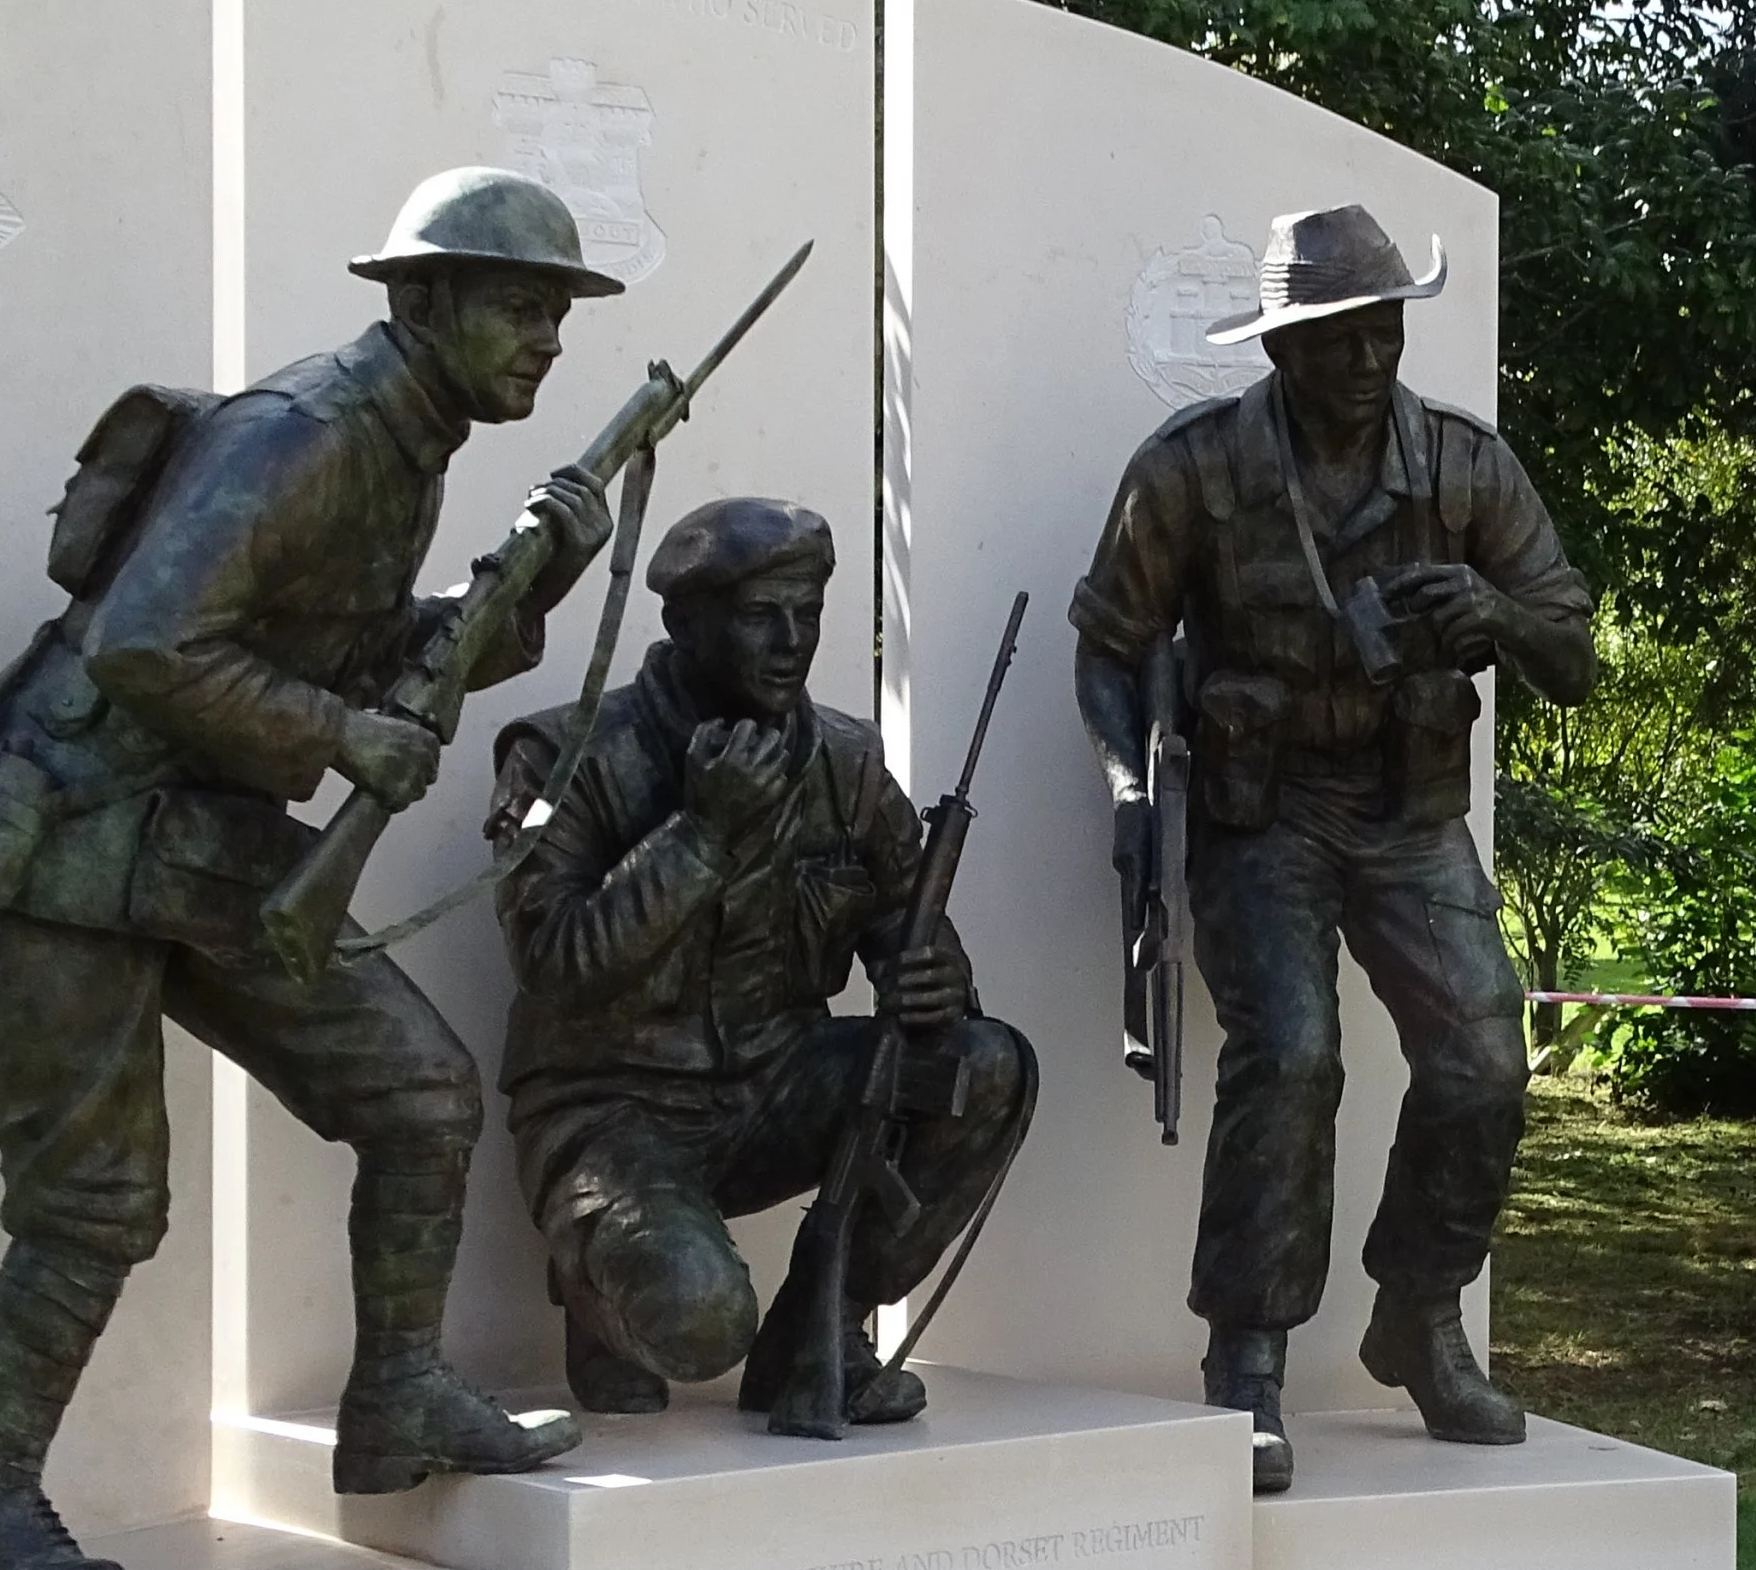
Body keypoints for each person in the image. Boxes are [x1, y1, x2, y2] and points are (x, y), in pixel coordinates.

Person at [0, 168, 618, 1570]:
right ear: (420, 301)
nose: (544, 340)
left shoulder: (406, 447)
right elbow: (144, 646)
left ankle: (400, 1400)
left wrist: (524, 591)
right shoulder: (306, 434)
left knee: (418, 1093)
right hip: (59, 840)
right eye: (515, 307)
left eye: (555, 313)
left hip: (190, 841)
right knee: (97, 1205)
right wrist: (340, 740)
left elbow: (364, 655)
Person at [1071, 204, 1595, 1493]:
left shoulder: (1466, 467)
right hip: (1265, 812)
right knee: (1292, 1058)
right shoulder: (1191, 469)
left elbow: (1571, 650)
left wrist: (1494, 614)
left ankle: (1419, 1314)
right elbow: (1110, 643)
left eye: (1383, 329)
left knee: (1482, 1056)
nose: (1367, 358)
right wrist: (1132, 784)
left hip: (1409, 806)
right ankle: (1246, 1359)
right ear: (1281, 346)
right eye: (1336, 335)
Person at [489, 496, 1032, 1427]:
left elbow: (915, 927)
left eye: (808, 615)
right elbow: (556, 964)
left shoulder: (848, 765)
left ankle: (818, 1333)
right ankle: (599, 1296)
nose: (791, 641)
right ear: (684, 623)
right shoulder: (566, 756)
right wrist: (700, 834)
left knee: (986, 1067)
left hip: (777, 1088)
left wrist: (935, 980)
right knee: (700, 1324)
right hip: (612, 1113)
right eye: (758, 617)